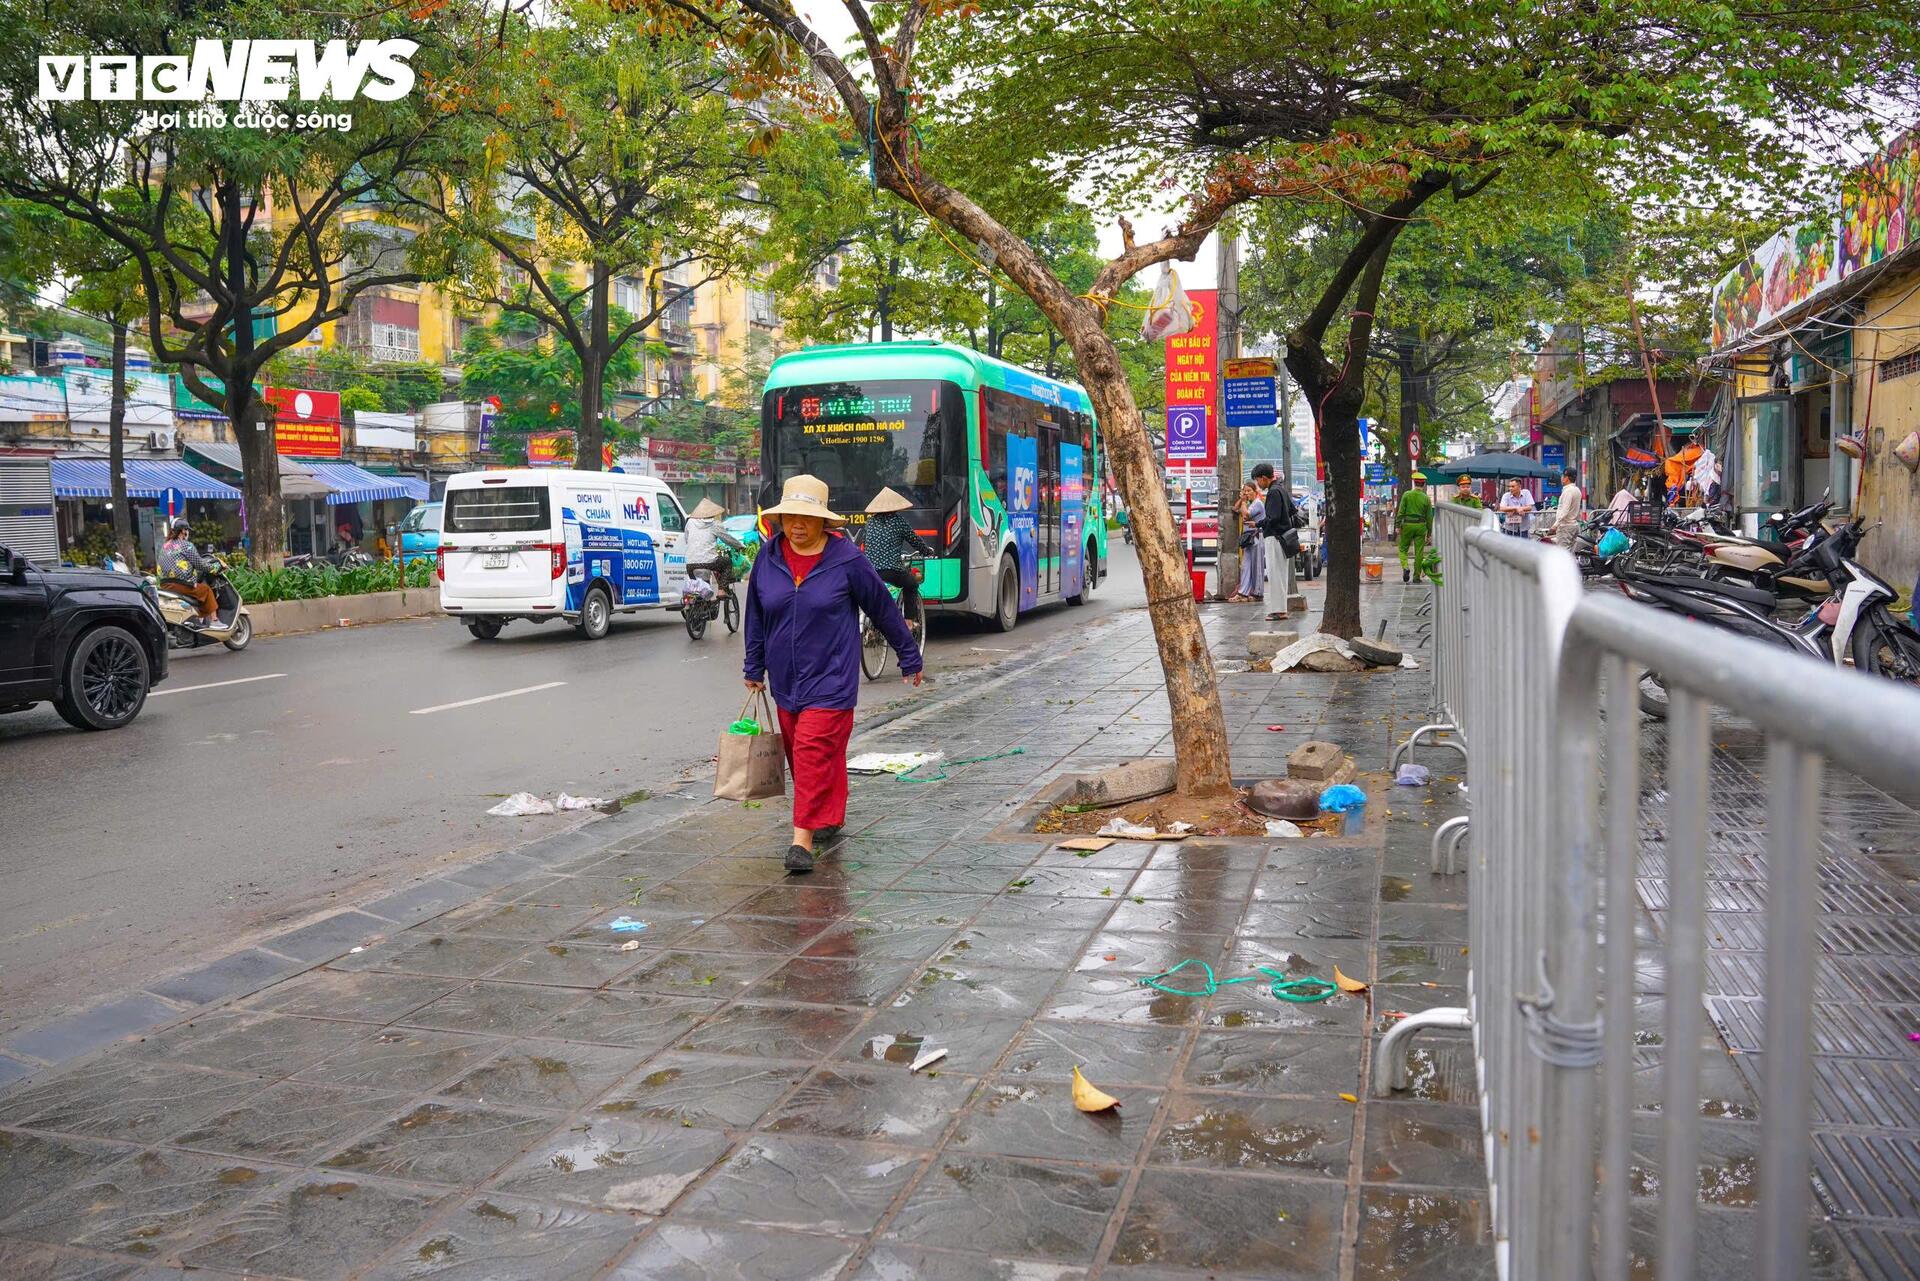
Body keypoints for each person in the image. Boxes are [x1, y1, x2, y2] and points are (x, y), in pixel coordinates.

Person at [745, 475, 923, 874]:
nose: (798, 525)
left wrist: (908, 654)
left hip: (832, 678)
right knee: (808, 755)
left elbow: (882, 607)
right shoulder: (768, 557)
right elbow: (756, 615)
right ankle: (830, 815)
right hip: (785, 681)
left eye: (807, 517)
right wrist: (753, 666)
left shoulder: (846, 560)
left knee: (811, 751)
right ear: (782, 518)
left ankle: (801, 841)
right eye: (792, 516)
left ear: (823, 521)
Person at [858, 487, 934, 625]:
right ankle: (909, 621)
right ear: (896, 507)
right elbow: (914, 540)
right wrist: (926, 551)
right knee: (911, 584)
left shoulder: (870, 523)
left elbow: (865, 544)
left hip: (870, 572)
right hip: (891, 571)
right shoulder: (898, 521)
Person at [1250, 462, 1297, 620]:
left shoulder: (1273, 492)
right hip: (1283, 537)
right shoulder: (1281, 490)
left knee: (1275, 574)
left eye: (1257, 481)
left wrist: (1258, 523)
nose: (1258, 484)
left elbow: (1272, 518)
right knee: (1280, 574)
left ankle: (1278, 611)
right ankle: (1280, 608)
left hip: (1275, 537)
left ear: (1264, 478)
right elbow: (1292, 510)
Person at [158, 517, 219, 628]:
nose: (187, 532)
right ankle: (215, 621)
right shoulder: (186, 545)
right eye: (186, 530)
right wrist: (215, 567)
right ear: (182, 530)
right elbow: (200, 564)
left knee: (197, 589)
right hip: (180, 584)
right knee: (206, 590)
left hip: (164, 585)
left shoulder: (165, 546)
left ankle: (198, 619)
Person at [683, 497, 744, 588]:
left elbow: (686, 539)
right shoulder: (714, 525)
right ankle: (722, 590)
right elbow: (728, 539)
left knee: (701, 588)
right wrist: (740, 546)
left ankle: (702, 601)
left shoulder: (690, 522)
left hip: (690, 564)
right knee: (727, 562)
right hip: (709, 563)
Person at [1396, 472, 1433, 583]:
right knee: (1419, 552)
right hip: (1421, 527)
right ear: (1424, 484)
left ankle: (1406, 567)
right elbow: (1429, 517)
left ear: (1414, 482)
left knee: (1402, 549)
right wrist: (1429, 533)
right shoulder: (1426, 498)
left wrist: (1398, 525)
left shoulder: (1407, 495)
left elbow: (1401, 512)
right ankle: (1416, 577)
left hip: (1407, 525)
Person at [1232, 482, 1266, 601]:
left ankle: (1257, 593)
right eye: (1245, 491)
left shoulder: (1257, 504)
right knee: (1246, 566)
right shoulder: (1248, 503)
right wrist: (1242, 499)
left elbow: (1246, 515)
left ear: (1255, 492)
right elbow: (1235, 509)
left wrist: (1244, 502)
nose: (1247, 493)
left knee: (1256, 566)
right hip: (1249, 539)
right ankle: (1243, 592)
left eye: (1249, 491)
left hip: (1256, 537)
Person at [1545, 468, 1584, 547]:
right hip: (1573, 526)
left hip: (1566, 527)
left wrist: (1555, 526)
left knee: (1563, 553)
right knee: (1570, 553)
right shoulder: (1576, 490)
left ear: (1566, 478)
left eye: (1562, 476)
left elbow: (1564, 511)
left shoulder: (1568, 491)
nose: (1561, 478)